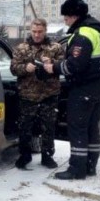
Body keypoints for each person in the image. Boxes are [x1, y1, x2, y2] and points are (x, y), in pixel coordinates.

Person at [43, 0, 100, 180]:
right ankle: (90, 165)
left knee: (78, 129)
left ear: (74, 16)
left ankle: (76, 169)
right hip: (99, 88)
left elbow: (75, 66)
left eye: (66, 17)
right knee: (91, 129)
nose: (65, 21)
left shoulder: (83, 34)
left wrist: (54, 67)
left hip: (83, 90)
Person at [10, 18, 64, 170]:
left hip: (49, 95)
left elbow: (63, 66)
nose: (37, 35)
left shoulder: (55, 47)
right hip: (28, 95)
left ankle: (47, 156)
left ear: (45, 30)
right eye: (34, 31)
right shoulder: (22, 48)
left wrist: (51, 63)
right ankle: (24, 155)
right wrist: (24, 68)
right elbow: (13, 68)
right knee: (25, 128)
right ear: (30, 31)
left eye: (40, 32)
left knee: (48, 127)